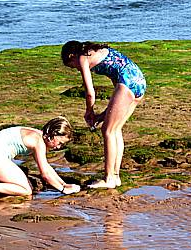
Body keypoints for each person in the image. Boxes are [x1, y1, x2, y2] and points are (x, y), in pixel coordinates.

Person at [61, 41, 146, 189]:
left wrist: (89, 111)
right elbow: (117, 91)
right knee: (115, 129)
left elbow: (89, 93)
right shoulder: (99, 51)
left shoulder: (82, 58)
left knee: (107, 131)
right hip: (138, 80)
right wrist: (101, 116)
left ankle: (108, 179)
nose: (75, 69)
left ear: (71, 56)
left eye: (71, 66)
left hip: (127, 82)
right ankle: (115, 176)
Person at [0, 116, 81, 199]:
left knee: (19, 184)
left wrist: (64, 184)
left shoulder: (36, 133)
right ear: (53, 135)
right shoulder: (39, 142)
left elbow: (46, 167)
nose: (58, 147)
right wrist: (62, 190)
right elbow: (45, 174)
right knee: (26, 190)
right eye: (60, 143)